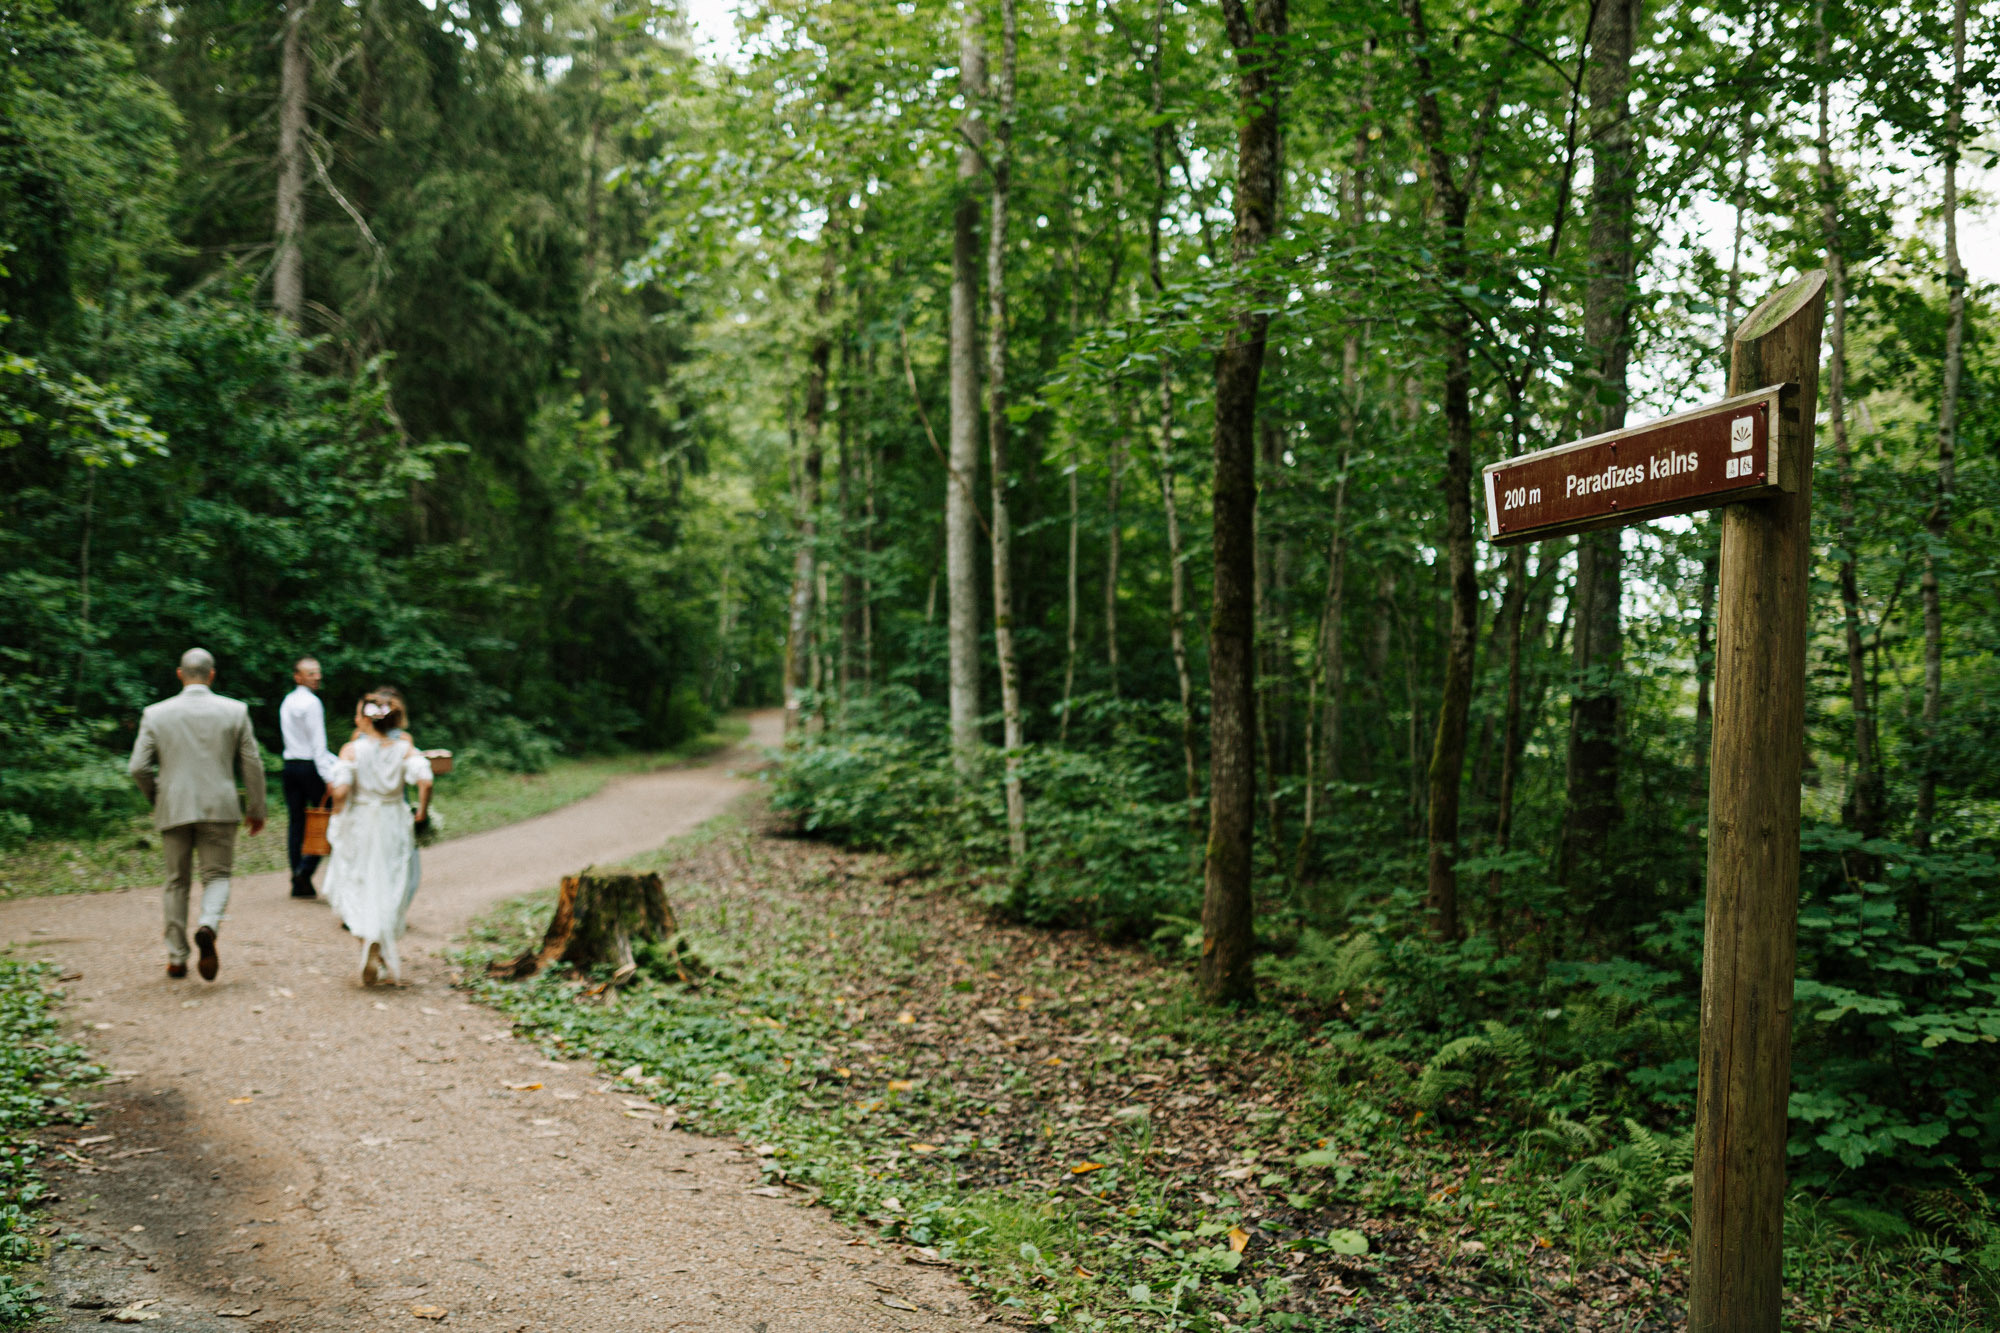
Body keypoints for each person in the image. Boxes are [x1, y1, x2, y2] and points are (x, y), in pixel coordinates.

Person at [127, 648, 268, 981]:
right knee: (216, 876)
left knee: (176, 882)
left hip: (173, 805)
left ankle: (177, 958)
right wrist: (256, 808)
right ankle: (208, 924)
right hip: (220, 806)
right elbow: (252, 763)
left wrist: (156, 795)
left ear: (180, 674)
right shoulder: (235, 711)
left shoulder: (155, 713)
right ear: (212, 674)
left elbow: (137, 766)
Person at [322, 690, 433, 986]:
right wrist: (421, 811)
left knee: (357, 881)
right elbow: (425, 778)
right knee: (390, 881)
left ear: (367, 720)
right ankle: (380, 946)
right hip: (393, 820)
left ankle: (366, 943)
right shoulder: (404, 748)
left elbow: (342, 790)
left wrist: (337, 811)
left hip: (360, 821)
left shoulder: (351, 750)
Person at [278, 656, 338, 899]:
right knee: (328, 815)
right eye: (311, 673)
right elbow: (317, 744)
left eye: (318, 672)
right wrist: (329, 776)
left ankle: (297, 876)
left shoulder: (287, 701)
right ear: (298, 676)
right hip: (310, 766)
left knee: (296, 822)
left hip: (290, 766)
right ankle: (305, 870)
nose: (317, 677)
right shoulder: (312, 703)